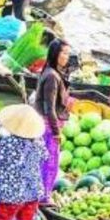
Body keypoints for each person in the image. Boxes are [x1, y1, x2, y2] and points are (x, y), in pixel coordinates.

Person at [34, 39, 72, 200]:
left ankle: (42, 194)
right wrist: (56, 132)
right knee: (49, 164)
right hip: (48, 126)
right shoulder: (51, 76)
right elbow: (49, 108)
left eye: (68, 54)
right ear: (55, 54)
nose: (66, 57)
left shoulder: (53, 73)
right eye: (64, 53)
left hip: (48, 125)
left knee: (47, 162)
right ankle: (43, 197)